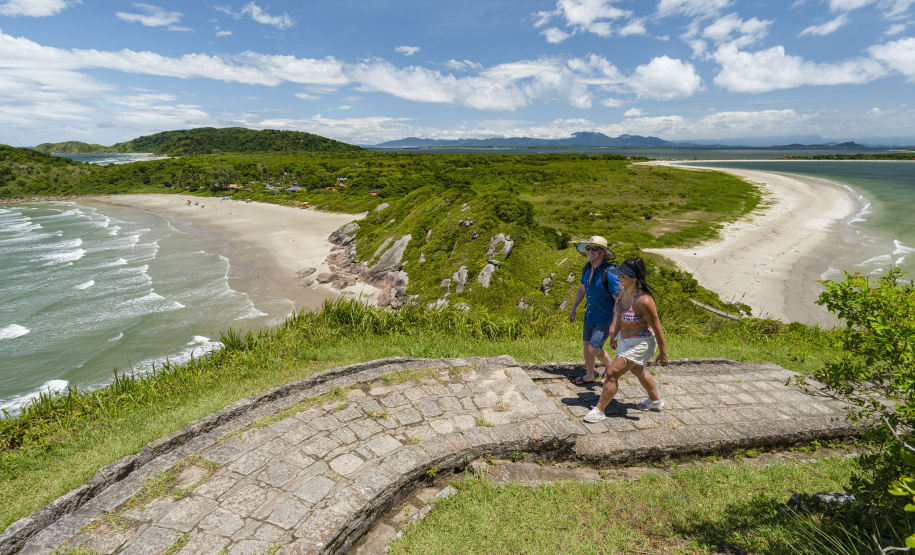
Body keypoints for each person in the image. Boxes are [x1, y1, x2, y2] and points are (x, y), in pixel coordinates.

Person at [583, 257, 670, 423]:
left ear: (634, 278)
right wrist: (615, 334)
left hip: (641, 343)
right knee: (638, 370)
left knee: (611, 372)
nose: (618, 278)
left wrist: (663, 352)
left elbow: (657, 328)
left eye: (622, 275)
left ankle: (599, 410)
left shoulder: (644, 301)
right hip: (625, 340)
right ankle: (655, 401)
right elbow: (620, 315)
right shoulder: (623, 290)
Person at [567, 236, 619, 385]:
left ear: (603, 252)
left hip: (605, 317)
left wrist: (614, 324)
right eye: (589, 248)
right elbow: (581, 289)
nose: (590, 251)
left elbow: (618, 300)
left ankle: (611, 370)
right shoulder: (586, 268)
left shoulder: (610, 272)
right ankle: (590, 375)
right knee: (586, 344)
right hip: (590, 315)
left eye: (595, 248)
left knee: (594, 348)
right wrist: (573, 309)